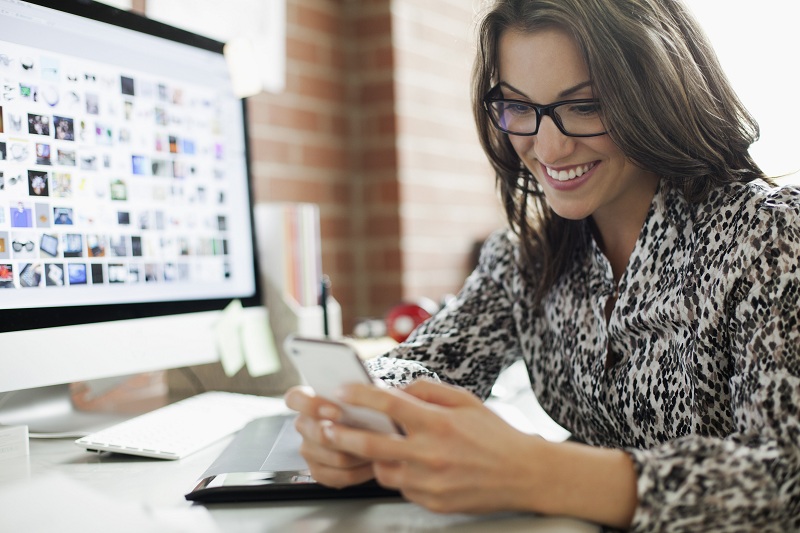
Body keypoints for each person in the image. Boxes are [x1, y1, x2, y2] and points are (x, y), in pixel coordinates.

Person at [285, 0, 800, 530]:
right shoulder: (523, 258)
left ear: (659, 96)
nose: (548, 146)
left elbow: (784, 479)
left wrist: (535, 470)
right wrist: (364, 424)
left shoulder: (770, 236)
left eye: (585, 106)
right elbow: (425, 361)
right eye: (518, 107)